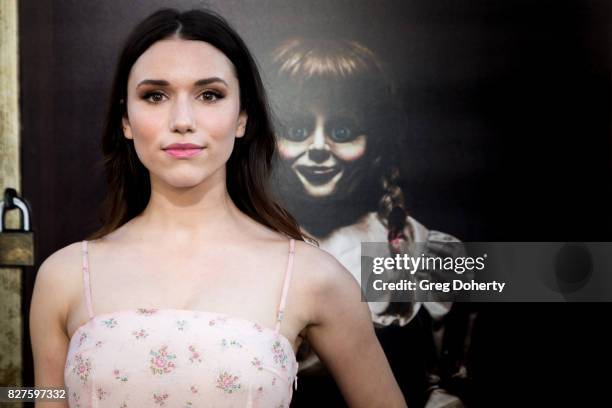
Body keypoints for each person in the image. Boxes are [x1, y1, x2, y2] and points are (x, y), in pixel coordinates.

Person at [29, 9, 407, 408]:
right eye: (155, 96)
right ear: (126, 118)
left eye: (209, 95)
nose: (183, 120)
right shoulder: (66, 276)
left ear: (242, 117)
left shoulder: (311, 275)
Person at [268, 37, 469, 407]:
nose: (317, 147)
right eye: (297, 130)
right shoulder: (245, 241)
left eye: (342, 131)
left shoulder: (415, 249)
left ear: (376, 142)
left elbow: (439, 389)